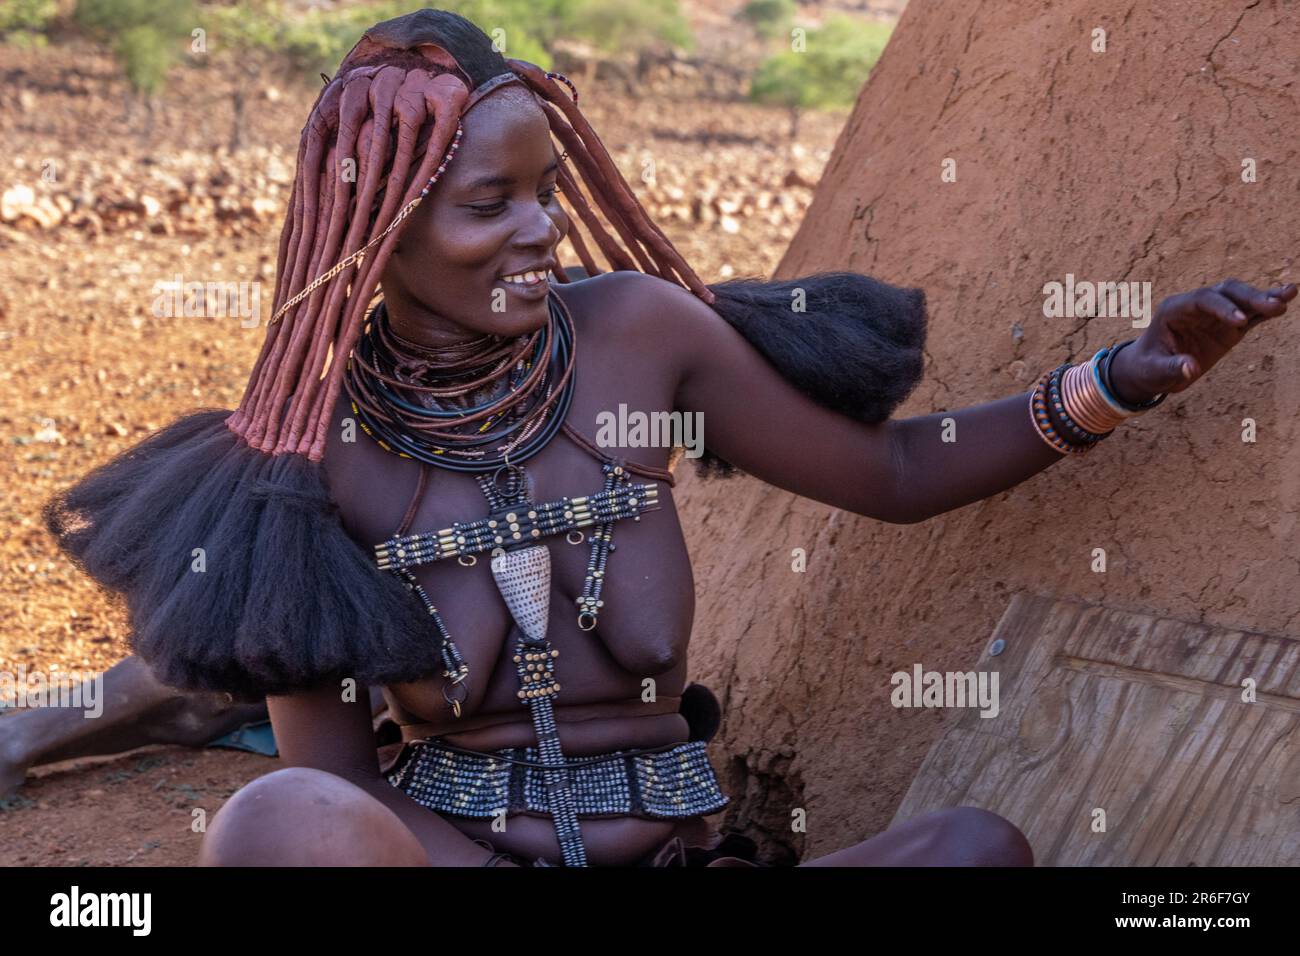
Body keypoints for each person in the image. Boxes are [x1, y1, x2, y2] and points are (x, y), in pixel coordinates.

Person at [37, 9, 1295, 867]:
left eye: (545, 192)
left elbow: (896, 472)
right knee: (276, 822)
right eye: (489, 205)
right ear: (379, 223)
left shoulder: (639, 335)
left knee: (973, 849)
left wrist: (1122, 379)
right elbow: (341, 787)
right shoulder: (312, 454)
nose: (539, 231)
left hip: (684, 854)